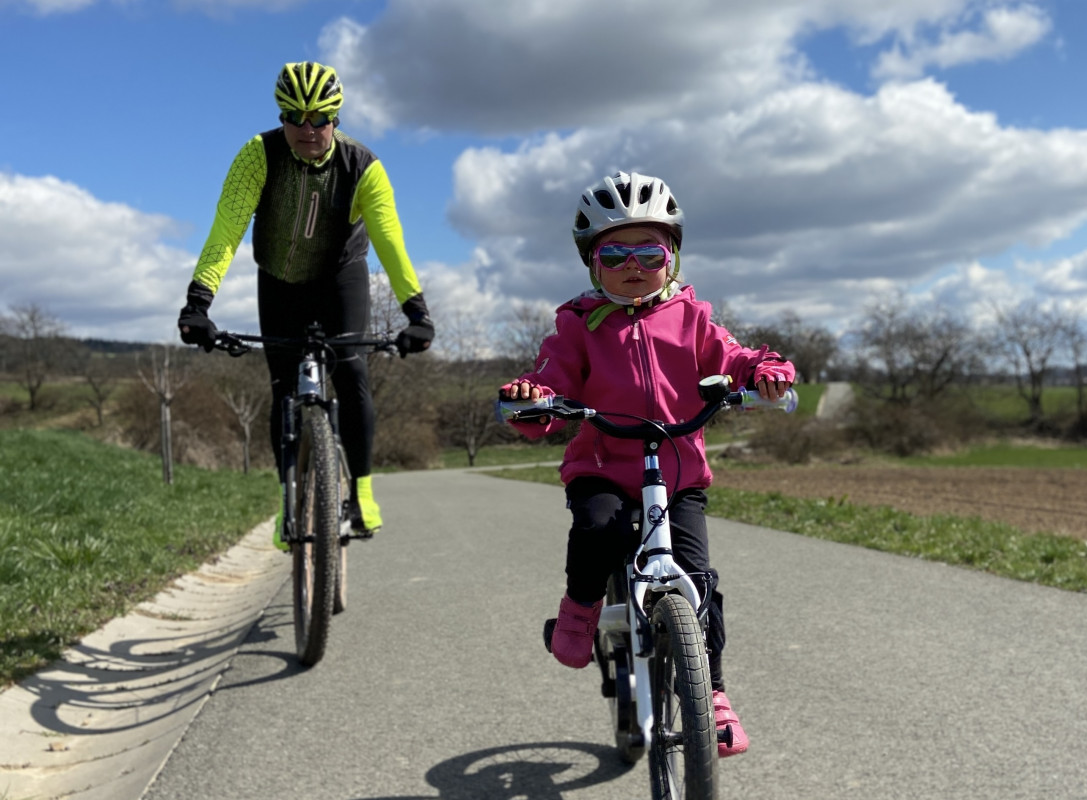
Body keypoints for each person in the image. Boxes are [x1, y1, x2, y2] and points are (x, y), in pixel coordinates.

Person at [500, 171, 795, 757]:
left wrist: (761, 372)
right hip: (604, 466)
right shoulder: (578, 324)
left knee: (698, 580)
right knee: (596, 528)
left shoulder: (692, 316)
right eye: (614, 252)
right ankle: (581, 611)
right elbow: (553, 380)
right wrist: (533, 401)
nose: (632, 264)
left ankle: (709, 692)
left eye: (649, 251)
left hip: (678, 471)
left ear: (672, 257)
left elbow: (732, 357)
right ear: (592, 262)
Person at [177, 61, 434, 549]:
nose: (308, 129)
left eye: (320, 118)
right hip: (278, 280)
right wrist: (198, 301)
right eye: (294, 117)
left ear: (336, 118)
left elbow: (390, 243)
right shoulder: (257, 156)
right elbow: (226, 231)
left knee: (352, 373)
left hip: (340, 277)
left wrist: (416, 313)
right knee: (282, 390)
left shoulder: (364, 167)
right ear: (281, 117)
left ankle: (361, 491)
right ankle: (287, 500)